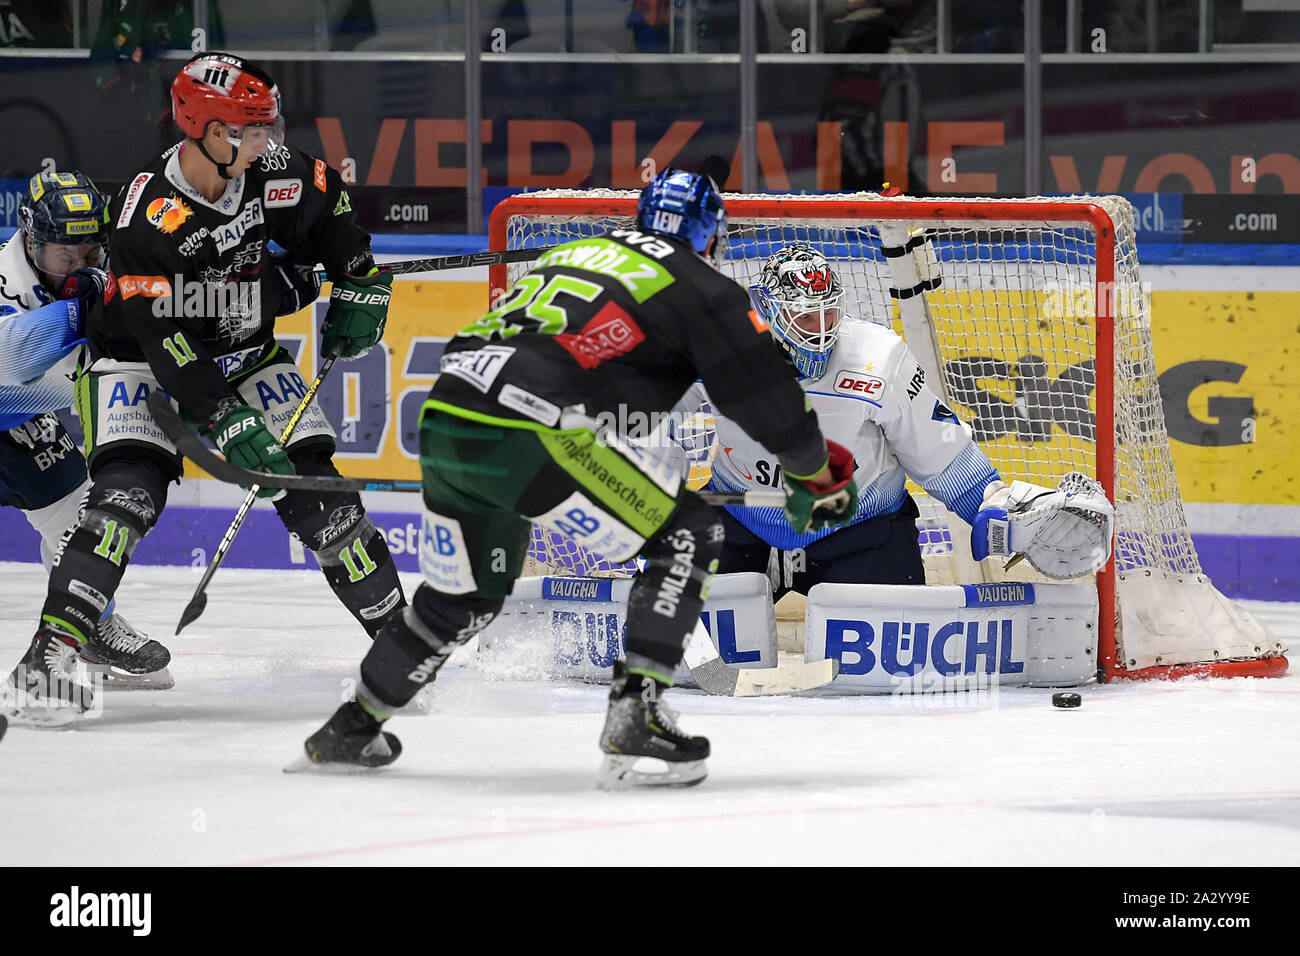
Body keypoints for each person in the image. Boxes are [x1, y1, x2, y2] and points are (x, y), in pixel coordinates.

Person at [298, 166, 858, 787]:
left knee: (463, 600)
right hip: (531, 427)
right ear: (710, 233)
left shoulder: (578, 251)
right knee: (688, 535)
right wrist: (816, 472)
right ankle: (636, 713)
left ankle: (353, 725)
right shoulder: (701, 282)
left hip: (447, 413)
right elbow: (764, 393)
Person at [9, 51, 407, 725]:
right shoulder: (144, 218)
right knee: (122, 502)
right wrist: (225, 419)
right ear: (210, 133)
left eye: (267, 124)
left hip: (244, 350)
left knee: (321, 498)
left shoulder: (272, 171)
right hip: (141, 359)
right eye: (251, 128)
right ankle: (46, 659)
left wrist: (360, 279)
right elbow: (166, 343)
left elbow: (332, 207)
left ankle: (405, 646)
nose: (267, 140)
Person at [674, 242, 1114, 597]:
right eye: (807, 317)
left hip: (859, 533)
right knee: (677, 655)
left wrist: (998, 508)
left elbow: (939, 452)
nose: (822, 329)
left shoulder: (877, 357)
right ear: (766, 313)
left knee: (890, 674)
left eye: (830, 312)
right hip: (741, 525)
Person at [0, 169, 172, 714]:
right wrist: (83, 307)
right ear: (30, 240)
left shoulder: (110, 268)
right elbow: (12, 358)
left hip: (20, 425)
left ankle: (90, 623)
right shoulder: (4, 278)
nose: (76, 267)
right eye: (62, 256)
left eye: (89, 252)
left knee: (79, 515)